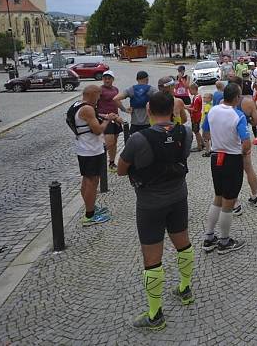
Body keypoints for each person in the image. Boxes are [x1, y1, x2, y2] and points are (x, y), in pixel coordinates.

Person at [117, 90, 195, 330]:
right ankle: (184, 288)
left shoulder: (138, 139)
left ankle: (155, 314)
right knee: (183, 243)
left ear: (148, 110)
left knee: (152, 259)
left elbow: (120, 170)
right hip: (179, 196)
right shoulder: (187, 132)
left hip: (150, 204)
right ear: (173, 109)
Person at [201, 82, 249, 255]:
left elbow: (205, 132)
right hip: (231, 159)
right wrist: (242, 153)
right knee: (229, 202)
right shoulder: (238, 115)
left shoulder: (213, 110)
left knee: (218, 198)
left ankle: (209, 237)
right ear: (236, 98)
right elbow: (246, 142)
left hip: (216, 158)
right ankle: (224, 241)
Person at [69, 85, 119, 227]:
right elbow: (98, 130)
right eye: (98, 96)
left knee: (86, 180)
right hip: (91, 150)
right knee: (92, 181)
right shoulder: (88, 109)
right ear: (92, 94)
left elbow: (89, 121)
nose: (99, 99)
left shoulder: (77, 105)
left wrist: (103, 116)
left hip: (83, 148)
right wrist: (107, 120)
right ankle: (89, 215)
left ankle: (90, 208)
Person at [230, 76, 257, 210]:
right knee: (249, 169)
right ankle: (254, 197)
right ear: (241, 87)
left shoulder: (222, 102)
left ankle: (235, 203)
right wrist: (248, 118)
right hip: (243, 141)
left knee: (232, 172)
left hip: (229, 141)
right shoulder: (248, 102)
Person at [97, 71, 123, 173]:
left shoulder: (115, 89)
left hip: (115, 118)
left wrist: (125, 110)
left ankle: (112, 163)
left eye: (109, 78)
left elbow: (117, 102)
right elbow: (94, 106)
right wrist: (105, 116)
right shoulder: (100, 90)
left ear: (113, 79)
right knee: (109, 142)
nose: (107, 80)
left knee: (114, 142)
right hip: (105, 119)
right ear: (103, 79)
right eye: (105, 78)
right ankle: (100, 162)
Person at [188, 83, 204, 152]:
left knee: (196, 131)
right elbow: (191, 105)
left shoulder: (197, 98)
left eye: (190, 90)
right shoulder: (196, 97)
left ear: (194, 89)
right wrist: (185, 105)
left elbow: (195, 109)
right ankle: (202, 143)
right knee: (196, 131)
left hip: (195, 117)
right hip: (195, 116)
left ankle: (199, 146)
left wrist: (185, 107)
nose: (189, 92)